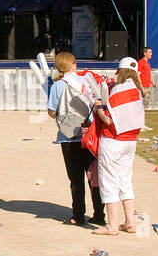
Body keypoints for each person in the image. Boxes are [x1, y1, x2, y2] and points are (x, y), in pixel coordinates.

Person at [46, 50, 105, 228]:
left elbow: (51, 112)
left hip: (68, 136)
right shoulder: (85, 81)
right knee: (94, 177)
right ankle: (99, 215)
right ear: (72, 64)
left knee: (75, 179)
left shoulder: (57, 86)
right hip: (89, 135)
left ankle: (78, 215)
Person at [91, 57, 145, 235]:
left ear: (119, 72)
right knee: (125, 181)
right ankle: (130, 223)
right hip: (130, 142)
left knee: (109, 182)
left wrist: (98, 107)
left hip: (112, 140)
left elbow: (107, 119)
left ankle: (112, 226)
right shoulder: (137, 91)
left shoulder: (117, 89)